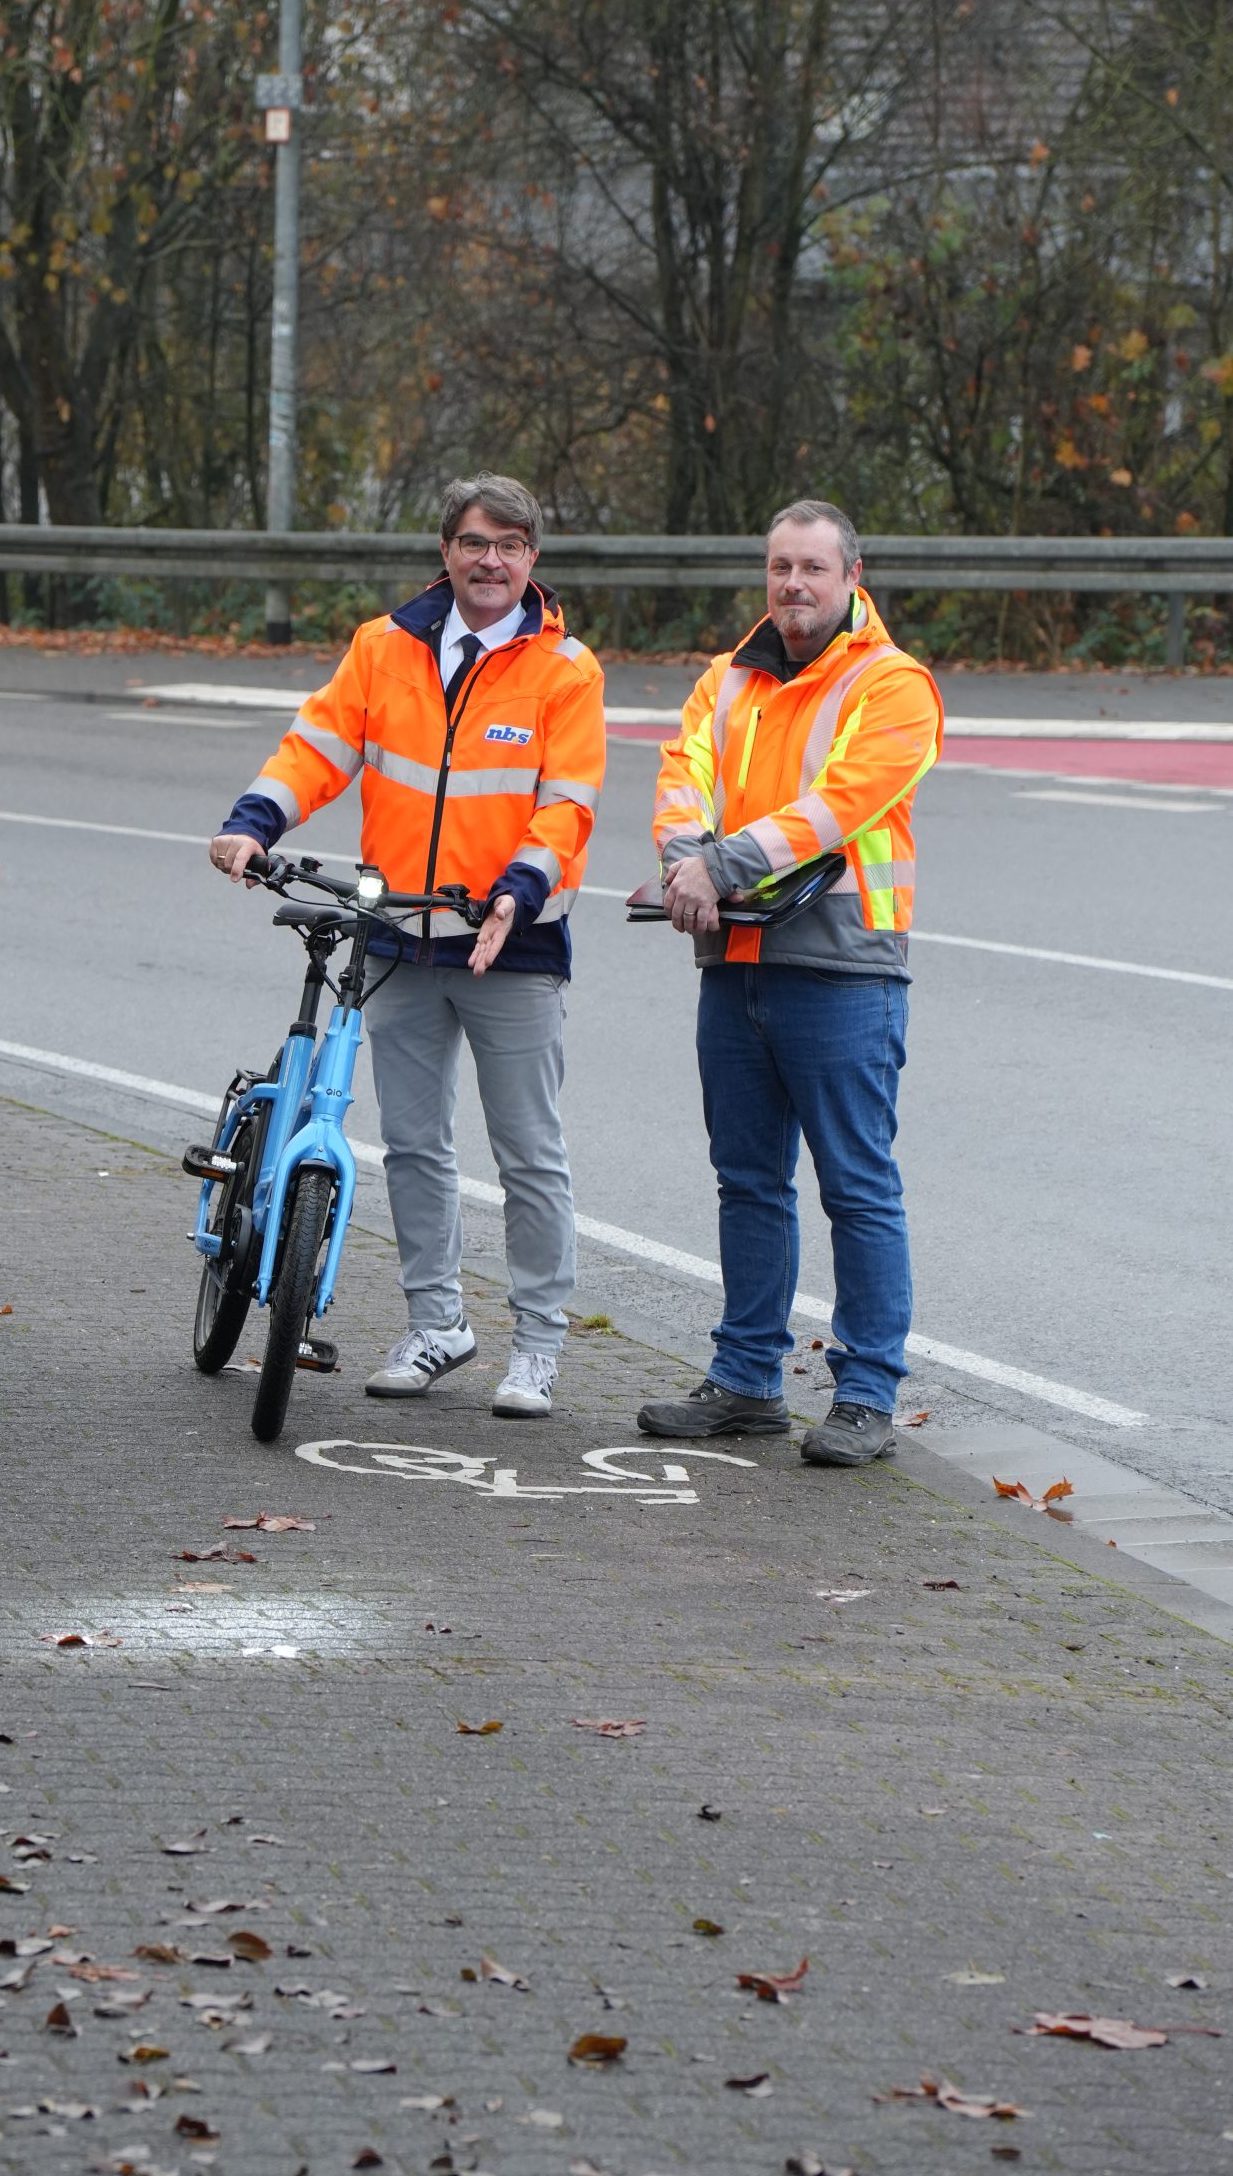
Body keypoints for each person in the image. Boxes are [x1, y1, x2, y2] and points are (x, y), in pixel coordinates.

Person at [209, 473, 605, 1417]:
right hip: (397, 937)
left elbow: (567, 804)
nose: (491, 561)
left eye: (510, 545)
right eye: (475, 542)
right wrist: (254, 818)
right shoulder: (382, 649)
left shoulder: (566, 669)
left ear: (532, 561)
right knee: (415, 1146)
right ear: (446, 552)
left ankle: (537, 1347)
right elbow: (318, 745)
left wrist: (518, 890)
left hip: (511, 944)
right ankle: (438, 1325)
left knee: (527, 1154)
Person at [638, 498, 943, 1467]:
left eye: (813, 568)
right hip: (736, 962)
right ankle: (746, 1382)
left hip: (842, 965)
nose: (794, 585)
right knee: (748, 1183)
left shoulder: (894, 685)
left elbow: (841, 801)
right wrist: (686, 855)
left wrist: (716, 869)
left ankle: (864, 1397)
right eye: (780, 567)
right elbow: (681, 772)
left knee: (857, 1187)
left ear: (853, 577)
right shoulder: (728, 680)